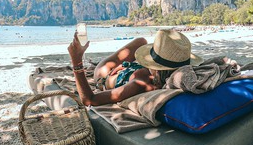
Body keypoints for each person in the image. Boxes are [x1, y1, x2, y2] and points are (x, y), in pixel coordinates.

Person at [67, 29, 204, 106]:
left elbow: (90, 99)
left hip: (104, 75)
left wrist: (76, 60)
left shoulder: (140, 84)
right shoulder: (169, 72)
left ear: (156, 67)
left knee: (141, 42)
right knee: (141, 41)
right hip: (130, 68)